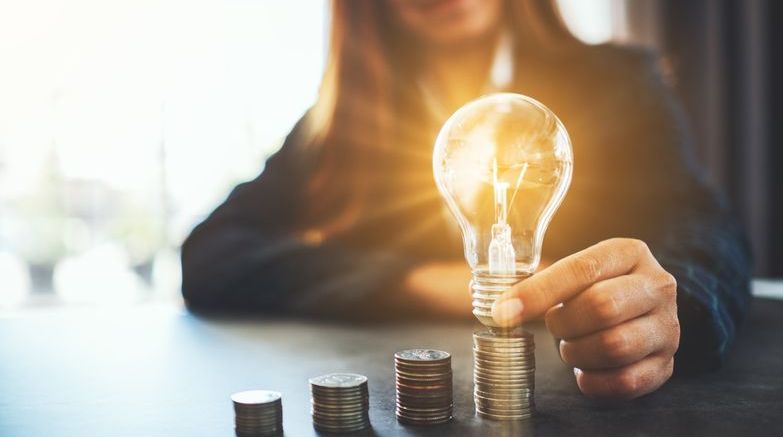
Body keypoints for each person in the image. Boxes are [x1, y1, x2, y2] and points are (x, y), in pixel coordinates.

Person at [181, 0, 751, 400]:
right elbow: (211, 253)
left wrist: (675, 303)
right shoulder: (340, 128)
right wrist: (424, 281)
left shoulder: (619, 85)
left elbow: (711, 232)